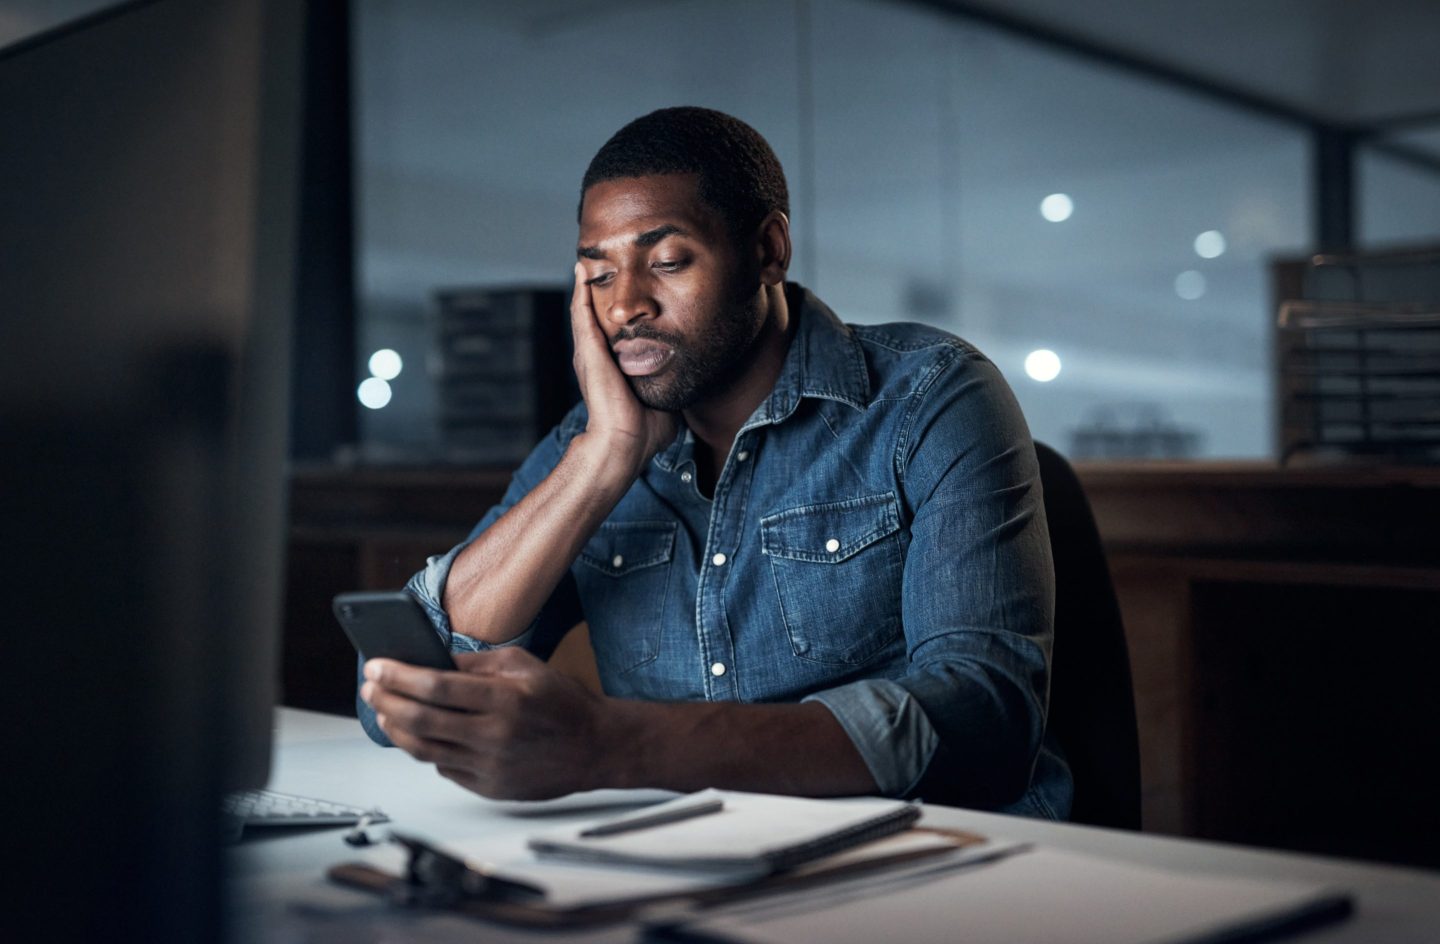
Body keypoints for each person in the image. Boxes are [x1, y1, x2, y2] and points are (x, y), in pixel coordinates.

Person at [358, 106, 1072, 819]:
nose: (626, 306)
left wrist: (614, 745)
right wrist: (603, 461)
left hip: (932, 859)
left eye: (666, 262)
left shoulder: (930, 396)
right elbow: (401, 683)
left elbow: (985, 717)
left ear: (767, 250)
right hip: (692, 862)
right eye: (598, 276)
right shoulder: (597, 437)